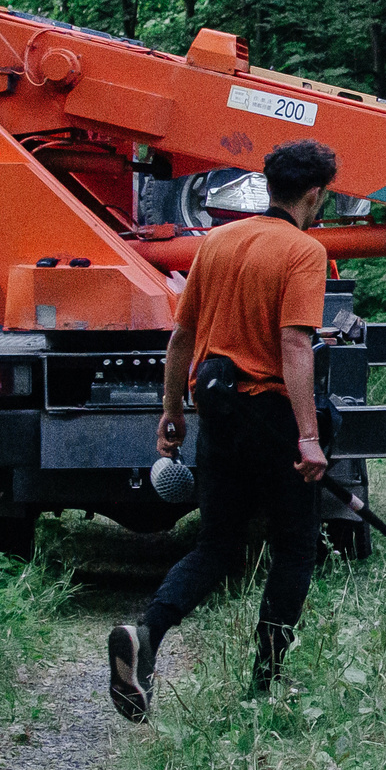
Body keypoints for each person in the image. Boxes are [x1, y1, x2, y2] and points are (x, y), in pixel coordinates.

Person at [109, 140, 338, 720]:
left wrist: (171, 411)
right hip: (272, 415)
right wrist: (308, 436)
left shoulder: (216, 242)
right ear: (313, 195)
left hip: (217, 413)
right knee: (295, 549)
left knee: (216, 546)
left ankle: (148, 632)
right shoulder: (303, 252)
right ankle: (267, 680)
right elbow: (294, 343)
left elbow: (181, 336)